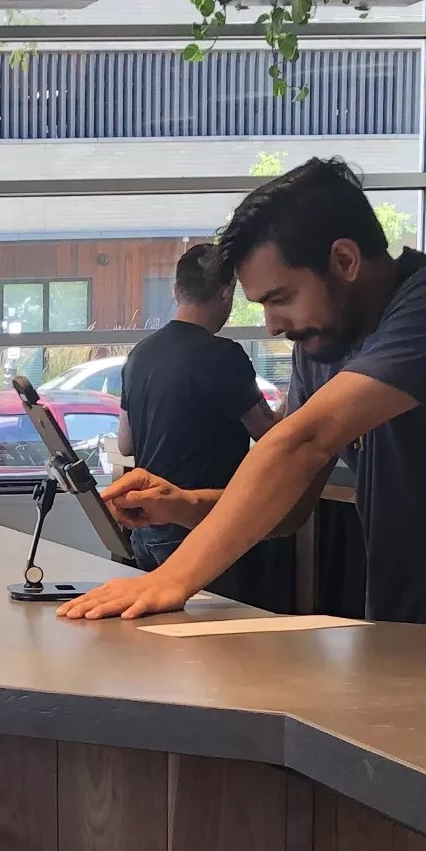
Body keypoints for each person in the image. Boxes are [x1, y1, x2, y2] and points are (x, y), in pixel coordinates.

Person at [61, 158, 426, 625]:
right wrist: (182, 505)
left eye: (280, 298)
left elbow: (302, 440)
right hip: (413, 631)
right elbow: (292, 506)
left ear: (344, 261)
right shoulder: (321, 346)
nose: (272, 325)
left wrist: (171, 578)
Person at [119, 240, 289, 606]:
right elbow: (270, 435)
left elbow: (125, 444)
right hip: (199, 529)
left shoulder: (140, 354)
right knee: (217, 636)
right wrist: (298, 398)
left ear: (176, 290)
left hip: (146, 530)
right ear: (227, 293)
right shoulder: (223, 356)